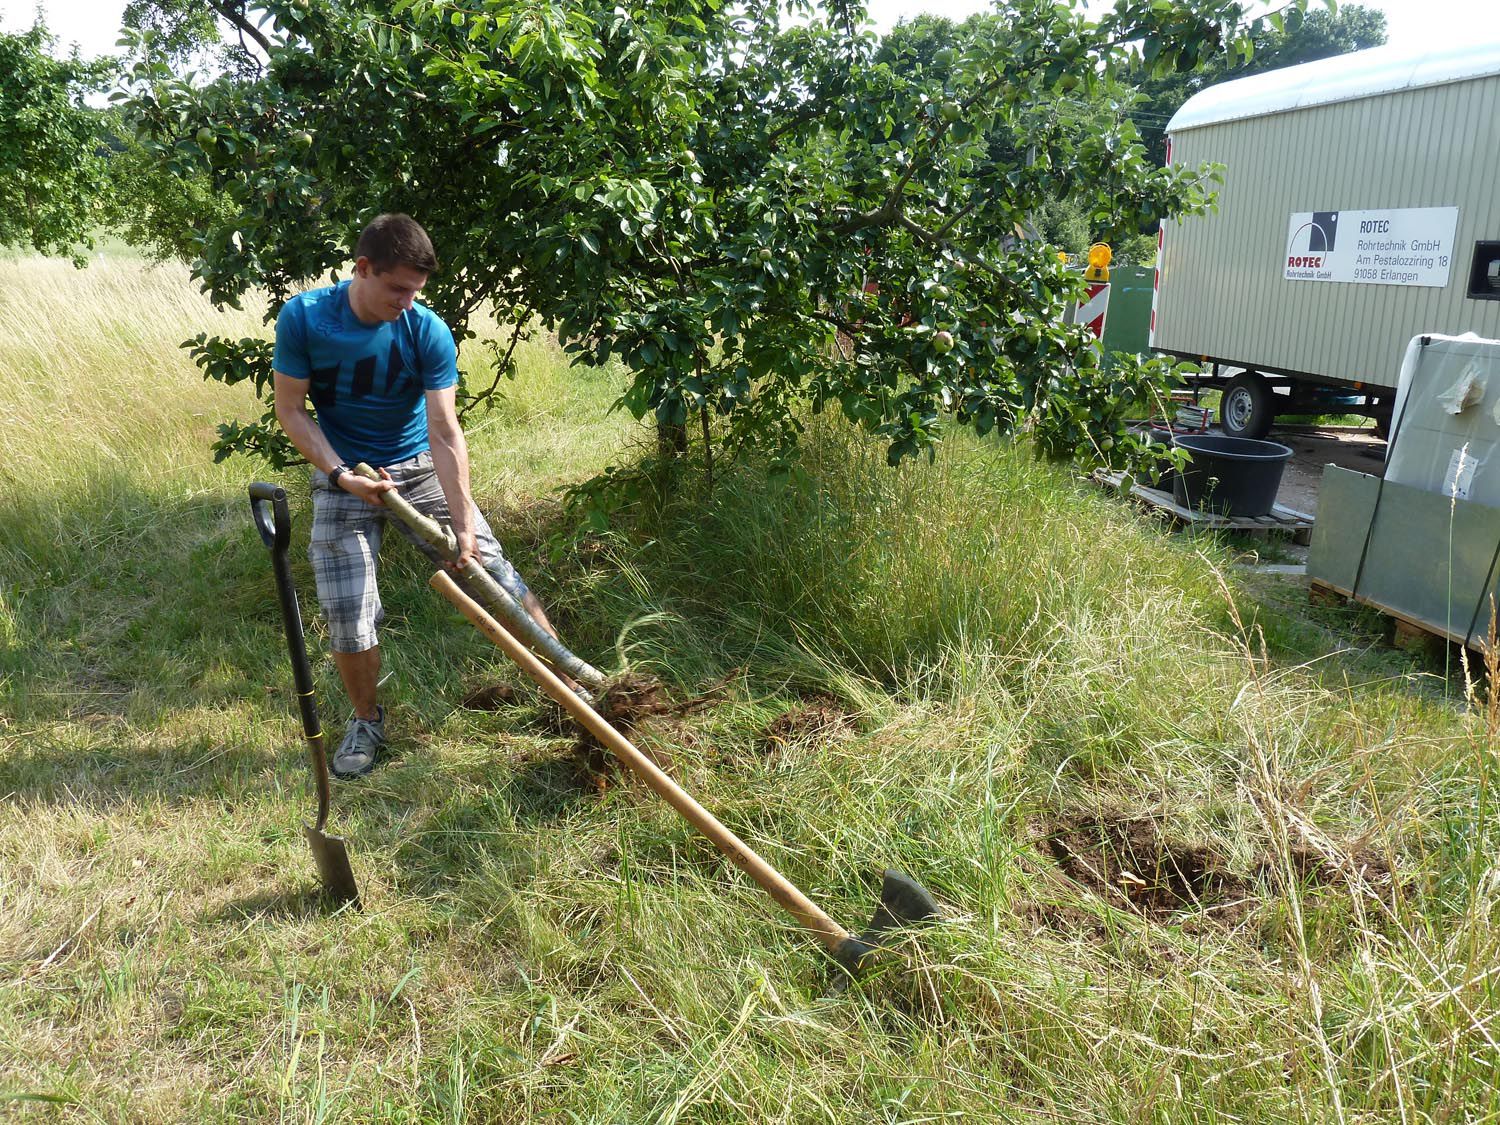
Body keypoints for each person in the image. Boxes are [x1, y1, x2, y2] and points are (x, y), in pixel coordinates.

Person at [272, 213, 572, 779]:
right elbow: (290, 408)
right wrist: (339, 476)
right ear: (363, 269)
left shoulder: (426, 329)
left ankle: (574, 688)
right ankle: (367, 721)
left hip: (419, 469)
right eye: (399, 288)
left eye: (417, 291)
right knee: (347, 612)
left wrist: (462, 527)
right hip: (346, 472)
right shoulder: (306, 319)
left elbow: (444, 430)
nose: (409, 302)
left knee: (494, 576)